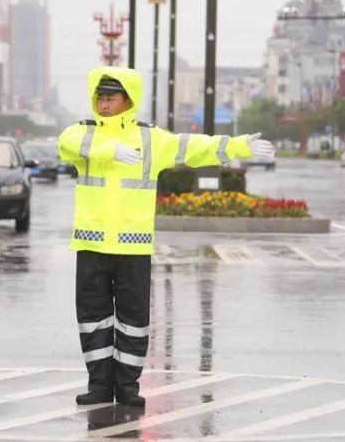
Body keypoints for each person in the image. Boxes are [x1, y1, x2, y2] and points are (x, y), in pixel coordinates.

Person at [58, 67, 275, 407]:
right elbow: (66, 143)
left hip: (132, 247)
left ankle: (128, 388)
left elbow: (193, 148)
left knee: (133, 321)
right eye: (100, 97)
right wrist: (110, 149)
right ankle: (99, 387)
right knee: (92, 319)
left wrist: (239, 145)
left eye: (111, 97)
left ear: (127, 101)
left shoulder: (150, 139)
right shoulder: (83, 134)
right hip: (92, 244)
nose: (103, 103)